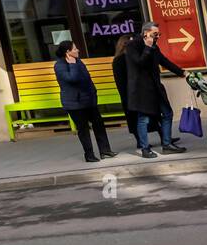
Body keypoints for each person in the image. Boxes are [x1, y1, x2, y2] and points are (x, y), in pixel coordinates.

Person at [124, 22, 188, 157]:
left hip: (155, 87)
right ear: (145, 33)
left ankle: (166, 144)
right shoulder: (132, 46)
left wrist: (181, 72)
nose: (158, 36)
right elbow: (139, 63)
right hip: (141, 89)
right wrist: (147, 47)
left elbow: (164, 61)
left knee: (167, 113)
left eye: (159, 34)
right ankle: (145, 149)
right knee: (143, 119)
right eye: (155, 34)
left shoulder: (154, 46)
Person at [54, 40, 115, 163]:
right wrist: (72, 65)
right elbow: (72, 79)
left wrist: (93, 93)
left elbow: (87, 79)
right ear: (68, 52)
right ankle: (89, 155)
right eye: (75, 48)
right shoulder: (59, 65)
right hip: (74, 104)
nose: (78, 50)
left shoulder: (79, 61)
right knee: (83, 130)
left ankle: (105, 150)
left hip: (89, 100)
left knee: (99, 124)